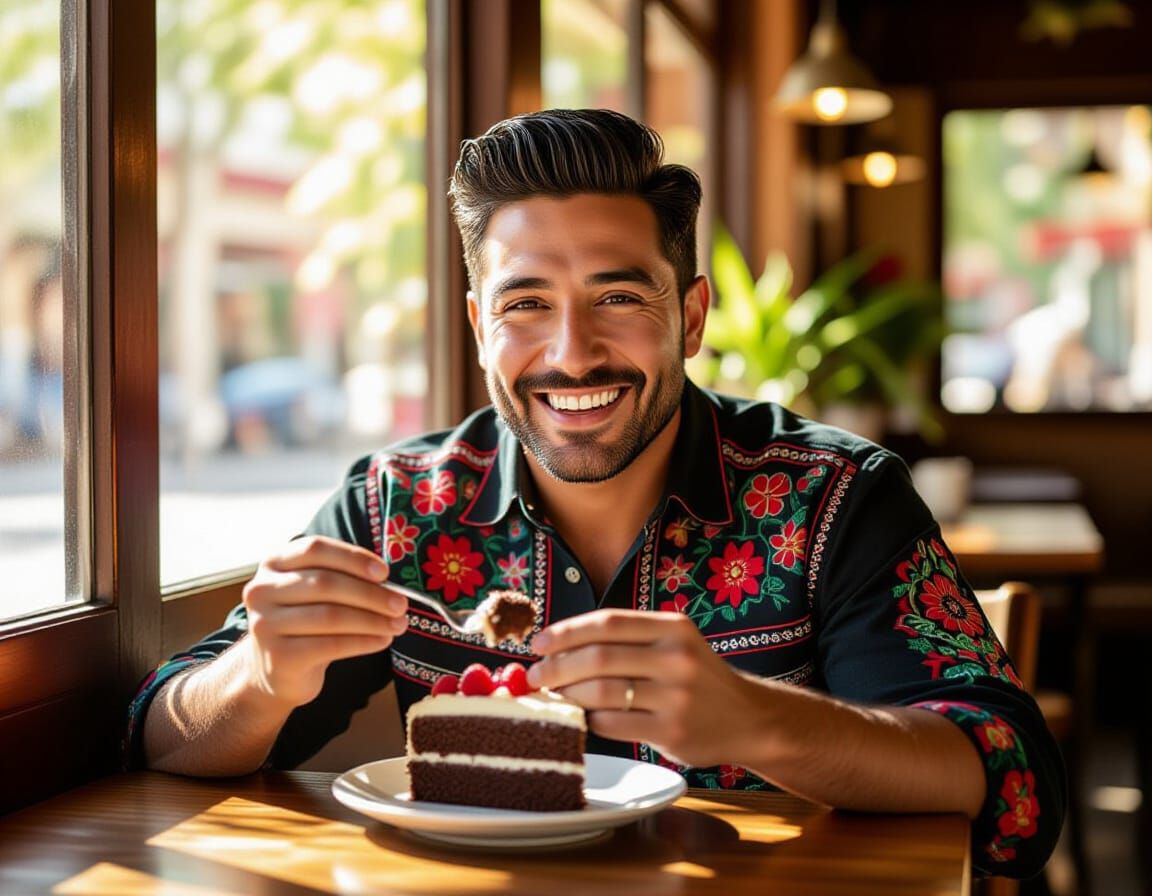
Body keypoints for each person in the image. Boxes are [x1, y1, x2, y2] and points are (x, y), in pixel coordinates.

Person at [128, 108, 1064, 879]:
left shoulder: (836, 496)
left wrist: (756, 719)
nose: (572, 354)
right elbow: (162, 735)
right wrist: (261, 674)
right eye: (526, 303)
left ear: (690, 315)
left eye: (618, 298)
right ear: (479, 327)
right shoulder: (396, 507)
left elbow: (1015, 784)